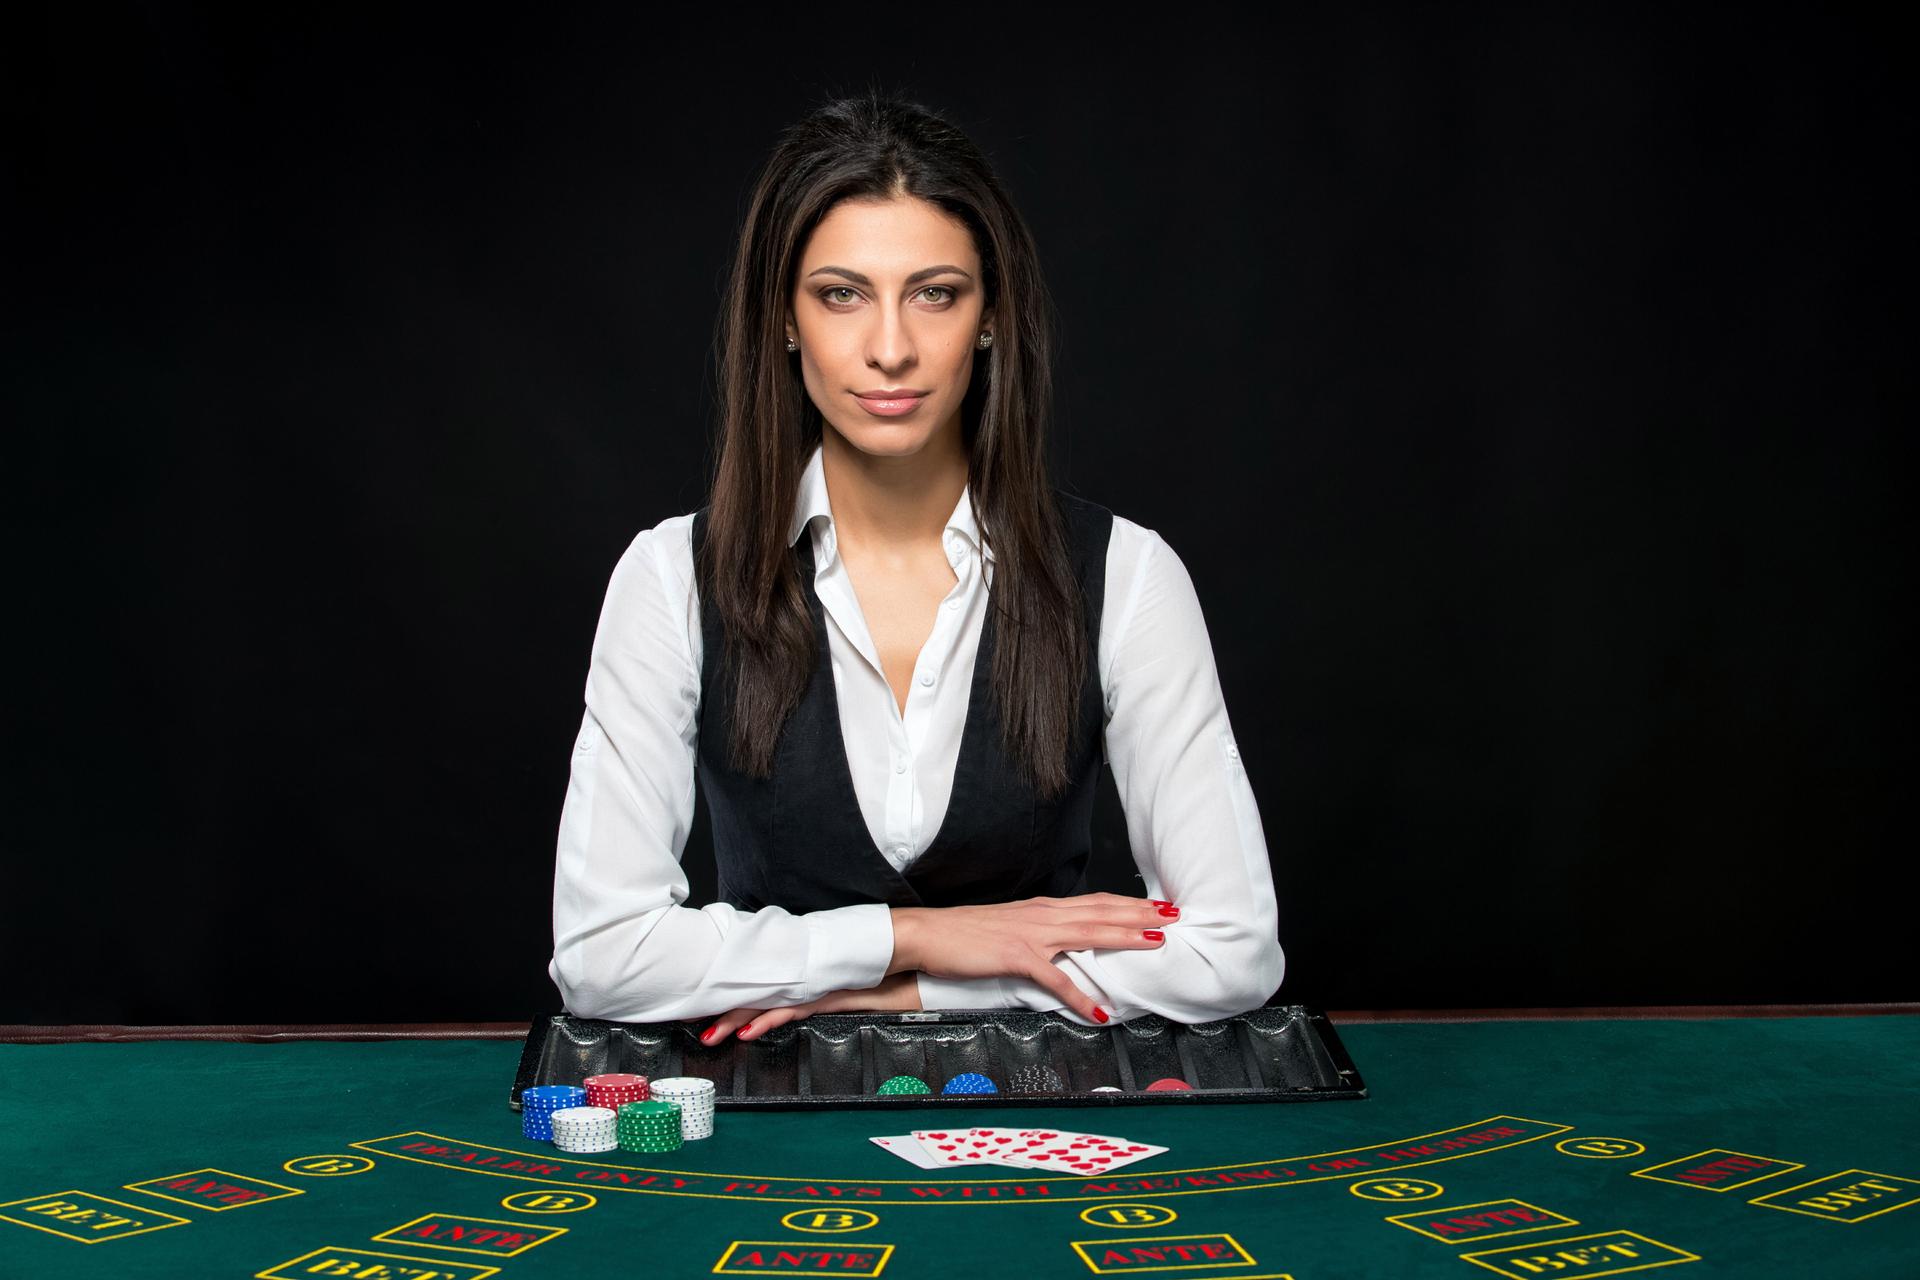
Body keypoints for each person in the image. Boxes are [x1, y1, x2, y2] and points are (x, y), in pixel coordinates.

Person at [548, 90, 1282, 1045]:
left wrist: (891, 990)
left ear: (989, 317)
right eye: (840, 294)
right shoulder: (667, 579)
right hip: (769, 1139)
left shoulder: (1130, 575)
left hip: (1040, 1118)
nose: (889, 348)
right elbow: (602, 957)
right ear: (783, 318)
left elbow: (1235, 953)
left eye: (935, 293)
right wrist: (920, 936)